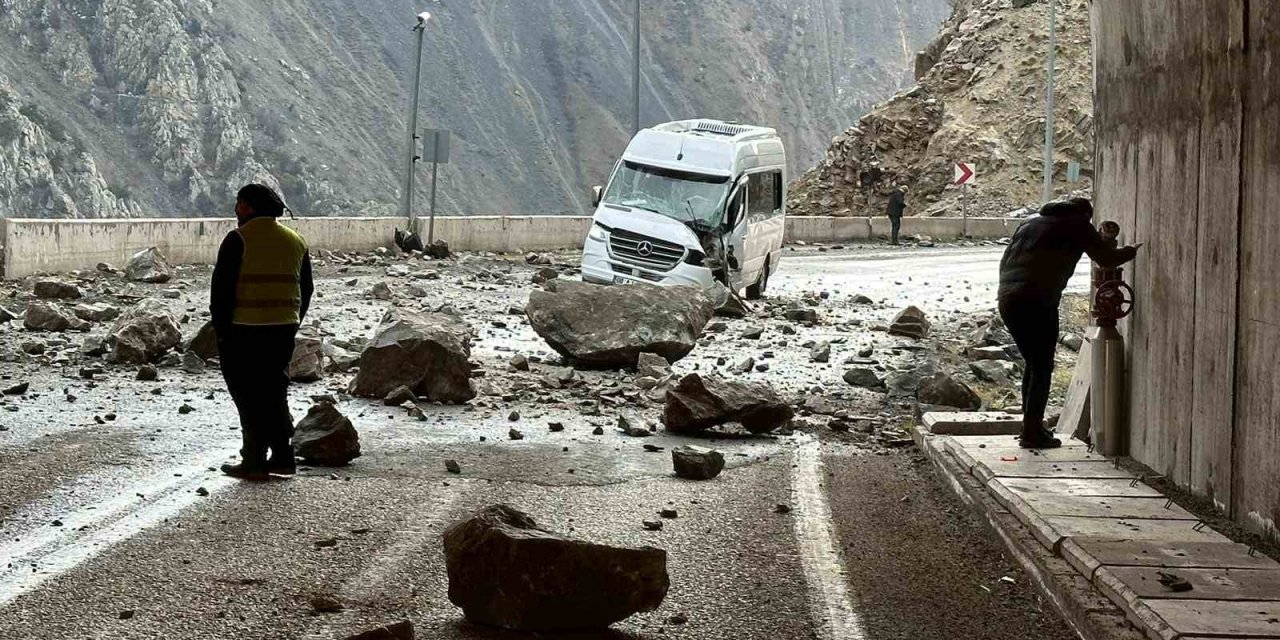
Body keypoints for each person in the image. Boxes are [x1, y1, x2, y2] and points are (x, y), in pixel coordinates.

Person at [998, 197, 1140, 449]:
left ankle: (1030, 427)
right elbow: (1107, 258)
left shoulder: (1029, 223)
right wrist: (1131, 251)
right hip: (1038, 300)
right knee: (1042, 366)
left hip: (1008, 300)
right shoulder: (1077, 223)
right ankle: (1032, 432)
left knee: (1034, 364)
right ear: (1085, 214)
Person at [211, 184, 314, 480]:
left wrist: (221, 332)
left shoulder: (238, 239)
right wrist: (292, 319)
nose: (236, 209)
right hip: (282, 329)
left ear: (250, 207)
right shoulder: (296, 241)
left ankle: (253, 460)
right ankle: (283, 456)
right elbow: (305, 289)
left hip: (243, 330)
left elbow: (221, 292)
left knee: (247, 395)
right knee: (273, 391)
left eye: (239, 204)